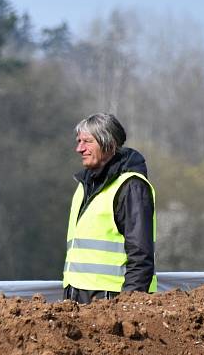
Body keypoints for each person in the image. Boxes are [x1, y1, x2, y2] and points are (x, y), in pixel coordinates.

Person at [63, 112, 156, 303]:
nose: (79, 148)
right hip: (77, 296)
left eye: (87, 141)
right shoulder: (83, 185)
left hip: (111, 299)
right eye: (79, 141)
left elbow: (140, 255)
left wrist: (129, 304)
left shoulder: (131, 186)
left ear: (109, 144)